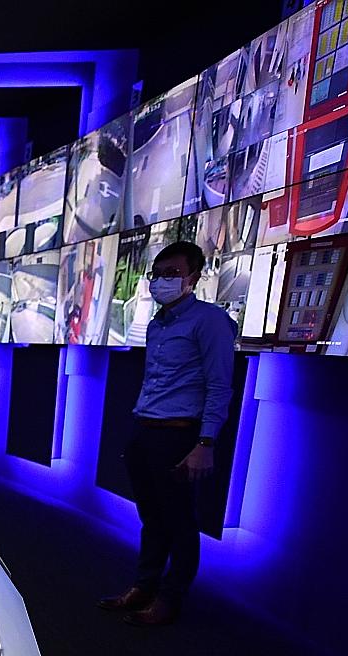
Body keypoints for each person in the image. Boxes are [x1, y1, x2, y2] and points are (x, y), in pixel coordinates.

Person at [99, 241, 236, 627]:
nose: (163, 281)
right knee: (151, 518)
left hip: (179, 436)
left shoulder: (210, 321)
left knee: (179, 522)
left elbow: (219, 385)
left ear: (194, 277)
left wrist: (205, 442)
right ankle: (144, 586)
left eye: (173, 274)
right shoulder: (158, 323)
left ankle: (170, 599)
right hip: (145, 430)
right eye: (158, 274)